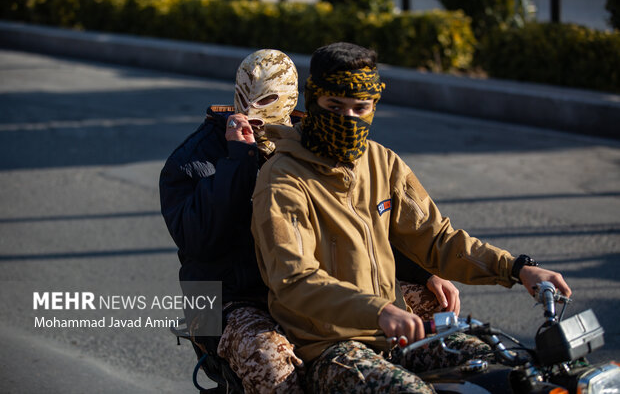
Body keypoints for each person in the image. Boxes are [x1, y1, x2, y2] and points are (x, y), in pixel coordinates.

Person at [250, 42, 572, 393]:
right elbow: (294, 279)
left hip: (395, 338)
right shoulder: (282, 178)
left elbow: (437, 239)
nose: (348, 119)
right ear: (313, 102)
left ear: (374, 107)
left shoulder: (382, 163)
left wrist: (517, 268)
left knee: (505, 370)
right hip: (328, 347)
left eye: (361, 107)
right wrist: (378, 312)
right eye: (335, 106)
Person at [159, 48, 461, 393]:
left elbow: (361, 218)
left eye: (267, 99)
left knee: (433, 311)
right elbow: (199, 240)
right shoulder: (189, 161)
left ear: (291, 99)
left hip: (310, 286)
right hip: (223, 297)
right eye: (244, 97)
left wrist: (423, 272)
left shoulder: (313, 141)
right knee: (272, 367)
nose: (251, 110)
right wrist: (237, 161)